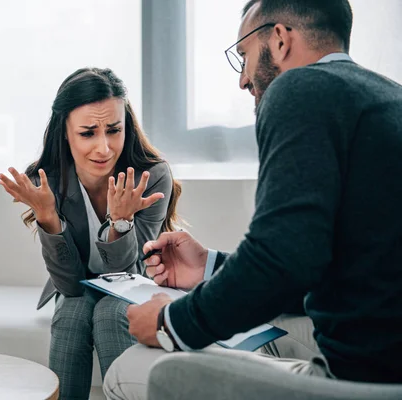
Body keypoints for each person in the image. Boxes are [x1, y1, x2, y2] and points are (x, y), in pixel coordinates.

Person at [103, 0, 402, 398]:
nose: (243, 79)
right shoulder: (386, 98)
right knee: (258, 334)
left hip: (358, 381)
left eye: (243, 54)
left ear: (279, 40)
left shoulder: (299, 88)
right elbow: (330, 264)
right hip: (382, 357)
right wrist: (211, 267)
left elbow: (280, 258)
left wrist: (168, 322)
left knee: (130, 367)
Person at [0, 67, 181, 400]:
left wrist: (121, 222)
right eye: (87, 133)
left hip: (135, 282)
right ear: (64, 132)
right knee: (71, 312)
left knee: (112, 312)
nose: (104, 148)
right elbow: (68, 283)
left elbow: (129, 275)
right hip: (77, 282)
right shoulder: (47, 180)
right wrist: (47, 216)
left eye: (114, 130)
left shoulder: (151, 176)